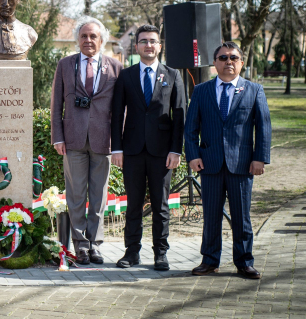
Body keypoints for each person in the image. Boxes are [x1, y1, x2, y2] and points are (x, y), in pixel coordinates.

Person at [185, 42, 271, 280]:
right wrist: (192, 155)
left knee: (241, 216)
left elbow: (263, 128)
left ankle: (244, 262)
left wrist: (260, 159)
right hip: (209, 164)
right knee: (211, 216)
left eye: (233, 57)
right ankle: (210, 261)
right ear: (215, 63)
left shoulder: (254, 90)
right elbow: (190, 128)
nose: (228, 62)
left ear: (241, 63)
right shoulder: (201, 91)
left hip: (242, 165)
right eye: (222, 57)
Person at [111, 24, 186, 271]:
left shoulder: (173, 75)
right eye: (144, 41)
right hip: (131, 151)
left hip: (162, 153)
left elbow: (180, 115)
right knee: (132, 204)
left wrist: (176, 150)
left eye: (153, 41)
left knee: (160, 205)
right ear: (137, 46)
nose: (148, 45)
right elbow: (116, 113)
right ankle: (131, 253)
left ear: (159, 46)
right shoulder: (126, 75)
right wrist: (117, 148)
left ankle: (160, 254)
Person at [50, 17, 123, 264]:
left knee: (99, 197)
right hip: (73, 140)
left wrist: (118, 143)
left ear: (101, 40)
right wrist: (57, 137)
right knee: (76, 194)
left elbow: (120, 109)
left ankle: (95, 245)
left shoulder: (115, 66)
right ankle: (80, 244)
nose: (88, 40)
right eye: (84, 36)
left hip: (103, 141)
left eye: (93, 36)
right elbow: (56, 104)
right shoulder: (65, 65)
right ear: (77, 40)